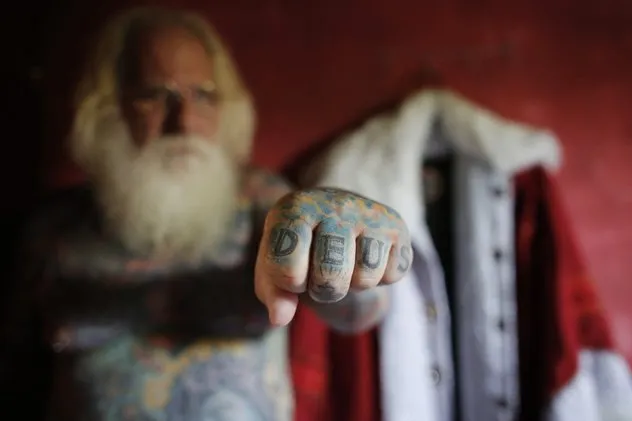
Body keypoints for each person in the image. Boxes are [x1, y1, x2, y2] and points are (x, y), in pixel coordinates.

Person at [0, 7, 413, 421]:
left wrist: (360, 244)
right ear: (110, 106)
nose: (185, 121)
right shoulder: (54, 230)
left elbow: (359, 313)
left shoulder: (265, 205)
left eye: (203, 95)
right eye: (154, 95)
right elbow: (14, 375)